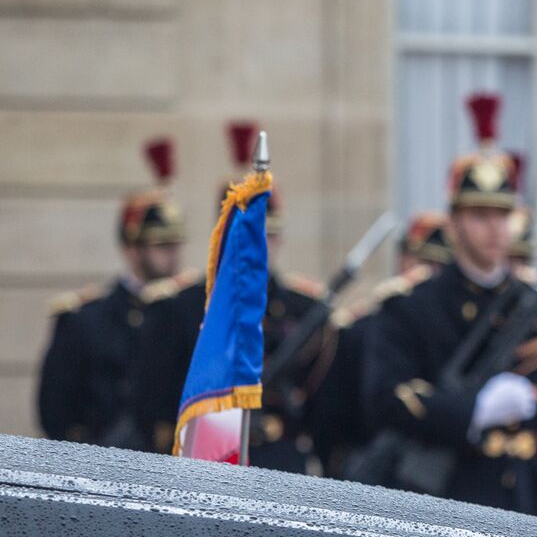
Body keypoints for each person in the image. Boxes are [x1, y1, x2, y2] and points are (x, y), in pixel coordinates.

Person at [361, 93, 537, 515]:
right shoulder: (414, 305)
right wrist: (470, 411)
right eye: (479, 216)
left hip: (530, 498)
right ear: (454, 222)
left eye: (502, 215)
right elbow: (385, 396)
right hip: (449, 499)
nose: (494, 229)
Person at [127, 122, 329, 472]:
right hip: (204, 463)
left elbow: (326, 411)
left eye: (270, 235)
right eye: (249, 235)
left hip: (283, 465)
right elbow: (152, 403)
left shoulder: (306, 308)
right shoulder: (177, 308)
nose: (259, 246)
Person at [38, 139, 186, 446]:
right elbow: (56, 412)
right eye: (161, 246)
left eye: (175, 245)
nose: (172, 255)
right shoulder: (85, 318)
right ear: (131, 249)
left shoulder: (187, 311)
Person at [316, 214, 449, 477]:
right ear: (404, 260)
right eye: (424, 263)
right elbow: (330, 418)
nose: (429, 274)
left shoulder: (453, 331)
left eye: (440, 266)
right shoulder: (363, 328)